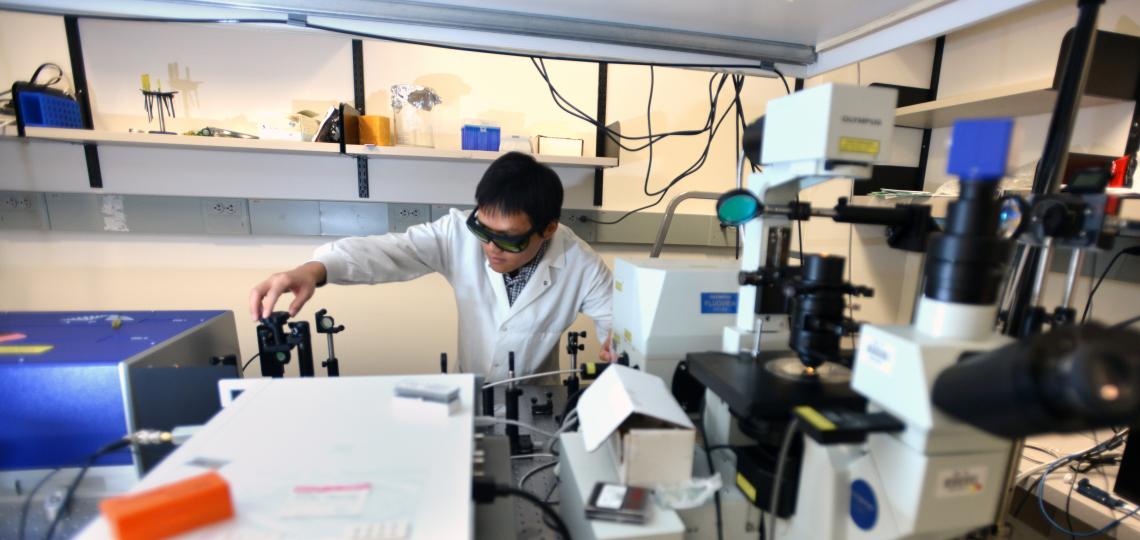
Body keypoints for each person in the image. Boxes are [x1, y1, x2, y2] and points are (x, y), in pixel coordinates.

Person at [249, 152, 614, 380]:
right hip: (469, 395)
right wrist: (314, 270)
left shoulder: (580, 263)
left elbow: (618, 321)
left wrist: (620, 342)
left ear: (548, 229)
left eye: (508, 239)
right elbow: (390, 251)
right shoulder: (456, 233)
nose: (490, 247)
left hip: (536, 403)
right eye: (482, 231)